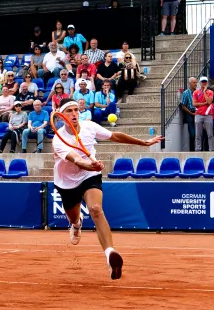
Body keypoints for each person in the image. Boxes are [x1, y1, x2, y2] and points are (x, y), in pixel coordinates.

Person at [51, 98, 163, 280]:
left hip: (89, 177)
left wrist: (144, 142)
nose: (74, 114)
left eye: (75, 110)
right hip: (67, 182)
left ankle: (110, 255)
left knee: (96, 209)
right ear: (62, 116)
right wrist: (90, 165)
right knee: (73, 216)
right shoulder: (59, 139)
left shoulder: (89, 127)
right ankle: (76, 224)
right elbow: (77, 160)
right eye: (69, 111)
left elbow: (115, 135)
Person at [193, 76, 214, 152]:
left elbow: (209, 102)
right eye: (202, 82)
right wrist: (204, 103)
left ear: (207, 82)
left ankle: (211, 149)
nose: (204, 83)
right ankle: (198, 149)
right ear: (200, 83)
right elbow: (194, 104)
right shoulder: (196, 92)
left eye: (205, 82)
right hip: (198, 114)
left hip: (208, 114)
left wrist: (205, 92)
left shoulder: (210, 92)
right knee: (198, 134)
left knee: (210, 134)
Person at [180, 77, 197, 152]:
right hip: (190, 113)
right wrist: (191, 113)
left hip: (198, 112)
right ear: (190, 84)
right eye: (194, 82)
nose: (195, 84)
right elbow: (183, 106)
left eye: (196, 82)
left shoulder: (198, 92)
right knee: (192, 133)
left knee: (200, 133)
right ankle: (192, 150)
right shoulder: (185, 93)